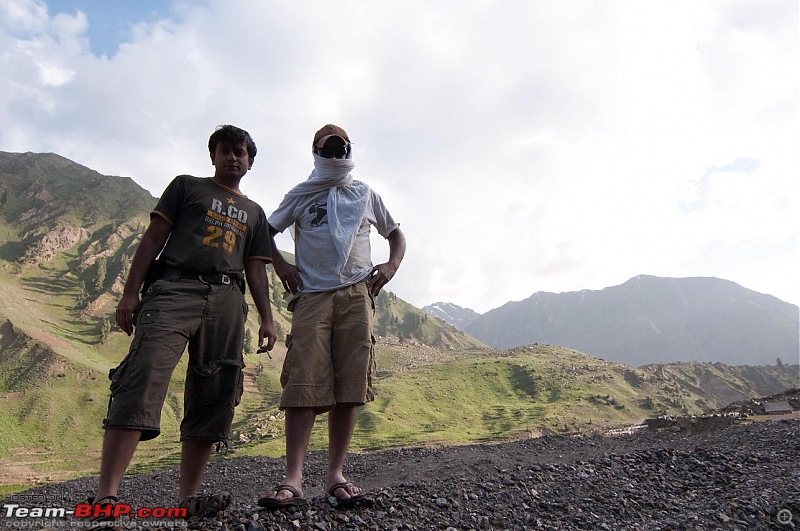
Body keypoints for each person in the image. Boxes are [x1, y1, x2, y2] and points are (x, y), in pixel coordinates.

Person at [89, 124, 277, 519]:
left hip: (228, 298)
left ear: (251, 161)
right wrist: (129, 293)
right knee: (142, 375)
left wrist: (267, 319)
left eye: (241, 152)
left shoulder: (255, 213)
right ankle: (106, 496)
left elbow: (256, 270)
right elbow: (153, 240)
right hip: (175, 289)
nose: (233, 157)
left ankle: (187, 498)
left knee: (215, 389)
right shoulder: (187, 187)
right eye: (225, 150)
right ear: (213, 155)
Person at [258, 124, 406, 510]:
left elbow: (396, 234)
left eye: (343, 146)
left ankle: (335, 475)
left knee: (350, 386)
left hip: (358, 294)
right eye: (329, 147)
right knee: (303, 384)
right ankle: (293, 479)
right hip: (312, 297)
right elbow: (264, 233)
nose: (337, 152)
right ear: (315, 152)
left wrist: (391, 266)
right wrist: (281, 266)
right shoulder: (302, 195)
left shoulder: (364, 193)